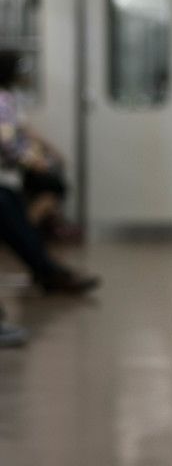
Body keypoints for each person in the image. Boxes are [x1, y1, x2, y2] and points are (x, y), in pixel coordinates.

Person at [0, 50, 99, 294]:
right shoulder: (4, 101)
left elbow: (19, 133)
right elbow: (8, 141)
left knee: (15, 203)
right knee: (13, 203)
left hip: (13, 168)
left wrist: (46, 152)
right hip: (11, 166)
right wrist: (30, 159)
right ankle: (47, 269)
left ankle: (46, 267)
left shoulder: (9, 99)